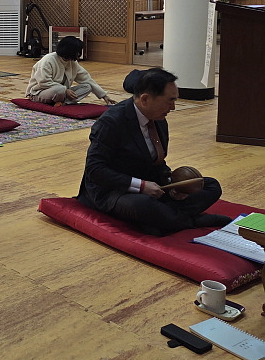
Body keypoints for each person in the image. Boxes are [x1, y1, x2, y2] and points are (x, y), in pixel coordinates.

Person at [77, 68, 230, 236]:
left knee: (209, 185)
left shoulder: (159, 119)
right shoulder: (111, 122)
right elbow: (95, 170)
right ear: (145, 99)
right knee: (143, 205)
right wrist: (141, 186)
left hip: (151, 184)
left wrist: (172, 183)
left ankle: (162, 218)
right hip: (113, 190)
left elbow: (157, 162)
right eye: (169, 101)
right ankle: (190, 221)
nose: (173, 107)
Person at [25, 36, 116, 105]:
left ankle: (64, 103)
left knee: (87, 87)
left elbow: (86, 79)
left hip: (62, 93)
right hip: (38, 93)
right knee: (59, 90)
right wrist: (65, 90)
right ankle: (61, 101)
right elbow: (43, 82)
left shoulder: (72, 62)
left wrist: (104, 96)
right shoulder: (48, 60)